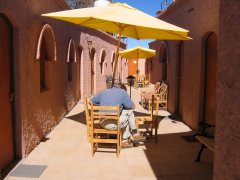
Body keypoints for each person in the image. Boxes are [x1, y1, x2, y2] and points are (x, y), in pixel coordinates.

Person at [90, 75, 146, 148]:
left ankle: (126, 140)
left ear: (107, 83)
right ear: (117, 84)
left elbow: (90, 101)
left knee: (126, 117)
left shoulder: (102, 93)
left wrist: (99, 103)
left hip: (103, 123)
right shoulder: (122, 92)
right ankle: (132, 134)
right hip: (116, 124)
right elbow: (132, 107)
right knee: (128, 113)